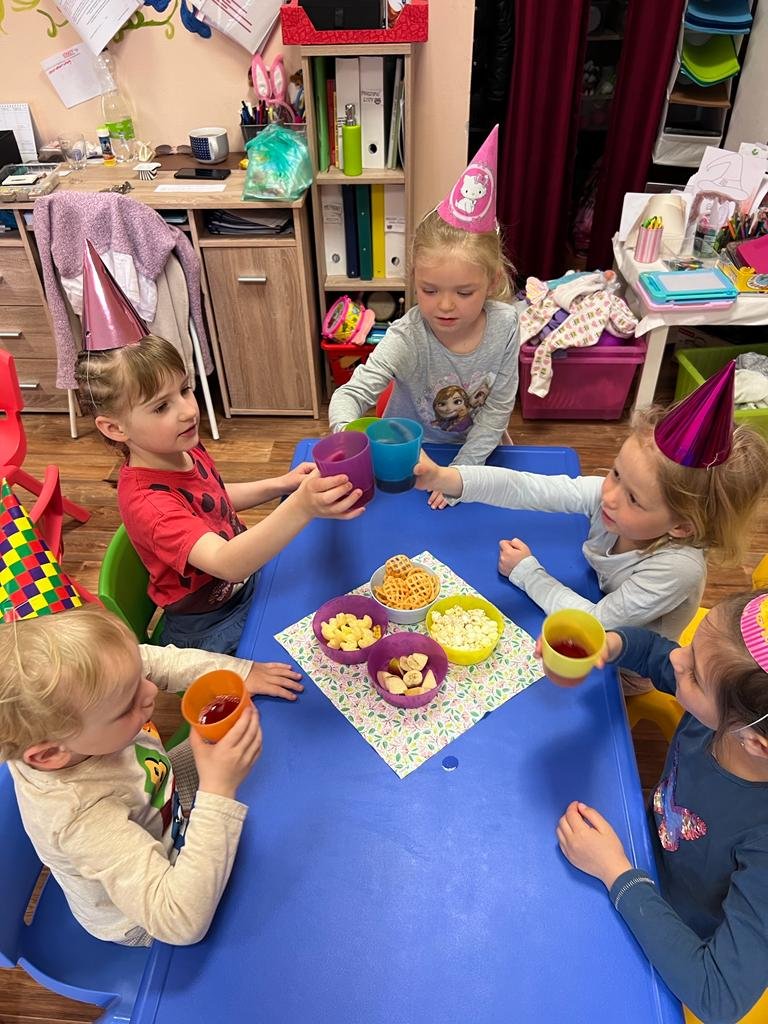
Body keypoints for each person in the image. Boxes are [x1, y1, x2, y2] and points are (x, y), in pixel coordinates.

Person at [413, 362, 768, 660]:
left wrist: (528, 573)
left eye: (634, 500)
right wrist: (445, 477)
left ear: (681, 527)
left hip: (628, 665)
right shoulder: (613, 498)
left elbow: (596, 624)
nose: (609, 496)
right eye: (616, 473)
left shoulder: (677, 568)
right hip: (596, 602)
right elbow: (526, 487)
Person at [548, 590, 768, 1024]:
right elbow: (653, 652)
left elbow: (718, 997)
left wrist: (616, 872)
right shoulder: (728, 709)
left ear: (756, 743)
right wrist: (611, 644)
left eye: (695, 675)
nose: (676, 660)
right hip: (643, 848)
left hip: (672, 925)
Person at [75, 334, 363, 655]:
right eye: (161, 406)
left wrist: (281, 484)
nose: (187, 411)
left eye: (184, 389)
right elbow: (227, 563)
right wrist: (302, 506)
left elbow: (213, 498)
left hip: (244, 583)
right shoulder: (150, 505)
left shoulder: (180, 447)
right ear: (115, 428)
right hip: (212, 622)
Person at [0, 604, 269, 946]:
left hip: (163, 799)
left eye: (140, 676)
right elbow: (179, 920)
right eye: (127, 705)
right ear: (51, 754)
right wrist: (218, 788)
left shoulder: (94, 696)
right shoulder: (80, 818)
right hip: (144, 917)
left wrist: (241, 672)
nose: (152, 691)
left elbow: (156, 661)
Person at [328, 126, 520, 510]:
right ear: (414, 277)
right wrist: (348, 438)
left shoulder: (506, 325)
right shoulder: (406, 337)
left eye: (463, 293)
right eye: (429, 290)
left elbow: (497, 409)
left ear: (492, 281)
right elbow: (350, 395)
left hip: (477, 453)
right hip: (409, 460)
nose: (445, 306)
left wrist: (460, 474)